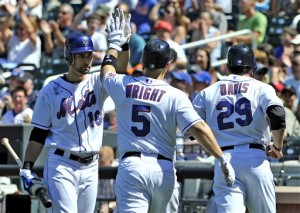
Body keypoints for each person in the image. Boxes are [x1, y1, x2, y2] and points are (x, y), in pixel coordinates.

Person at [101, 8, 235, 213]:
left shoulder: (125, 85)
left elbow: (109, 71)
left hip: (132, 166)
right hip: (162, 169)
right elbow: (199, 127)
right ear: (168, 64)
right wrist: (220, 157)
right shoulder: (175, 95)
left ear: (143, 61)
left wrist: (115, 45)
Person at [19, 32, 109, 212]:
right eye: (81, 56)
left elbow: (119, 69)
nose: (87, 60)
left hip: (91, 165)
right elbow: (39, 133)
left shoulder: (98, 82)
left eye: (89, 55)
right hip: (62, 164)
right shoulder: (50, 91)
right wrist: (27, 167)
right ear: (69, 57)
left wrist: (119, 46)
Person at [192, 44, 286, 213]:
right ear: (252, 67)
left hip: (224, 159)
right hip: (256, 158)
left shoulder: (208, 92)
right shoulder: (261, 88)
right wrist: (278, 146)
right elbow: (278, 114)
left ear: (228, 67)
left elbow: (193, 129)